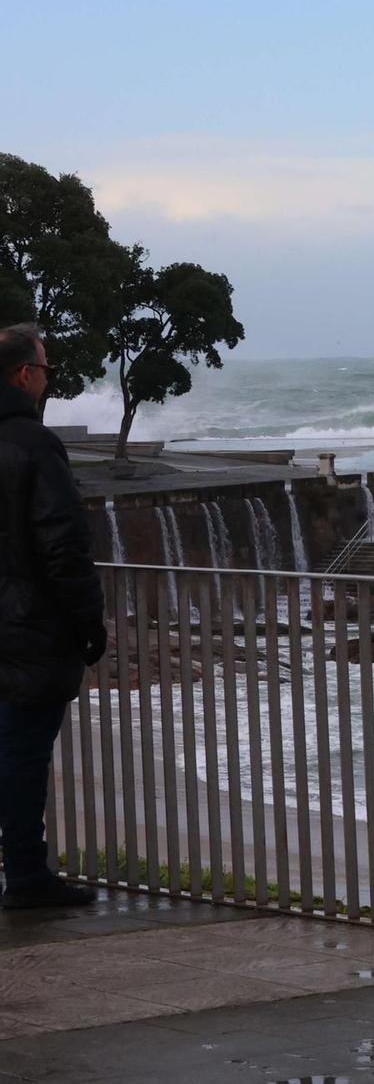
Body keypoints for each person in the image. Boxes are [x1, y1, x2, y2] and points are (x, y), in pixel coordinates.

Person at [0, 324, 105, 909]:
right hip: (29, 628)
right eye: (46, 370)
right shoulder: (34, 445)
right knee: (22, 755)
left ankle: (24, 870)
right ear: (24, 375)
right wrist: (90, 622)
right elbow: (63, 544)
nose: (47, 379)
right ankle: (26, 875)